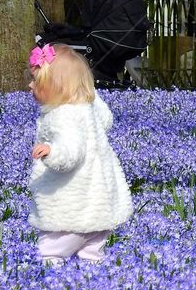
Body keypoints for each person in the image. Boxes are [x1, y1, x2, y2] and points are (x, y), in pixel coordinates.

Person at [27, 43, 133, 265]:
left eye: (36, 81)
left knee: (50, 251)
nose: (30, 85)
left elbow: (71, 151)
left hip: (72, 210)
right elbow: (106, 121)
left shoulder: (63, 115)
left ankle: (48, 286)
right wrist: (89, 94)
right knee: (90, 257)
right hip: (100, 206)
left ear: (57, 86)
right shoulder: (87, 108)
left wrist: (52, 151)